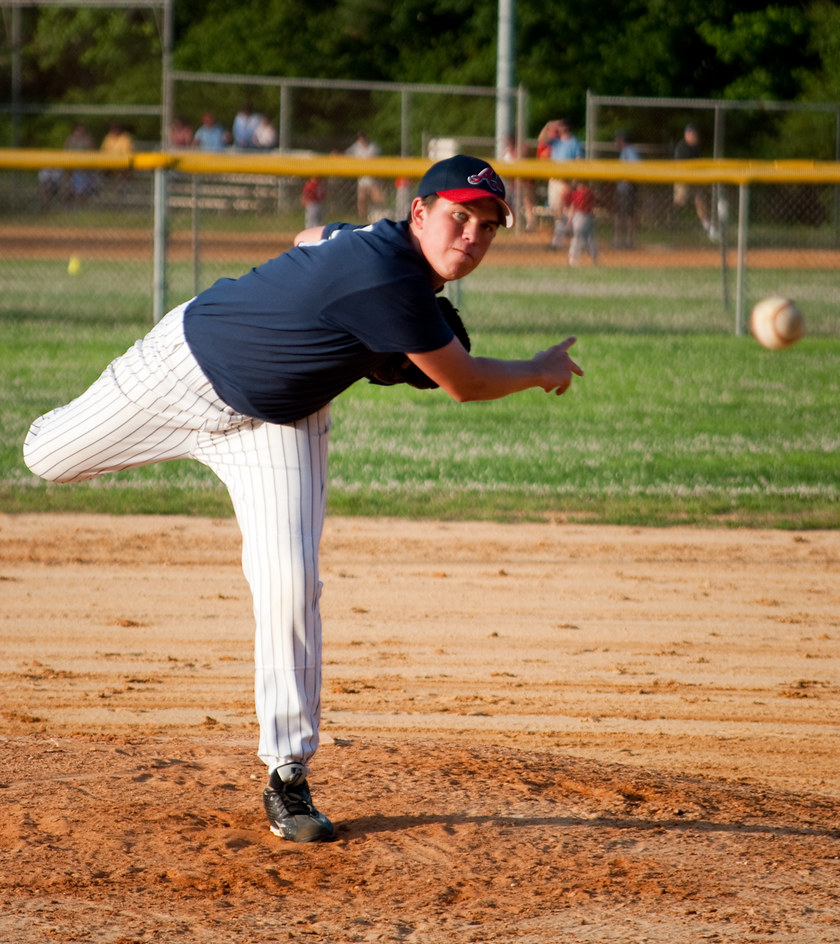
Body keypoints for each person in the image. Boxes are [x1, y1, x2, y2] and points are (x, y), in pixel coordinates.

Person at [23, 154, 582, 845]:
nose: (471, 235)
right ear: (421, 213)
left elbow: (308, 236)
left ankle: (287, 775)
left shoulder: (368, 244)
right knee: (43, 456)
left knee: (289, 582)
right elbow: (462, 382)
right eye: (458, 216)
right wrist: (538, 369)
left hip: (280, 423)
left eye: (488, 226)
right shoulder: (385, 274)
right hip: (183, 369)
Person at [537, 119, 583, 250]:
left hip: (566, 181)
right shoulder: (555, 141)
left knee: (565, 211)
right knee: (555, 210)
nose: (558, 129)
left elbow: (578, 161)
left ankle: (558, 241)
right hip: (554, 180)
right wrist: (548, 126)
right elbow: (541, 140)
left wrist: (575, 181)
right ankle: (566, 234)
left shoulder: (574, 143)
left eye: (561, 126)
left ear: (567, 128)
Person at [673, 124, 716, 240]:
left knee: (700, 200)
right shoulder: (681, 147)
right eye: (691, 134)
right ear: (686, 135)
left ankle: (707, 226)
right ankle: (667, 219)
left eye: (694, 134)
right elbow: (681, 167)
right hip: (683, 179)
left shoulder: (696, 147)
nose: (693, 137)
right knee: (679, 201)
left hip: (695, 179)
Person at [346, 130, 385, 220]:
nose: (362, 139)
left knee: (379, 200)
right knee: (362, 201)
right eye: (360, 138)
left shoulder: (372, 146)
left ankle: (381, 215)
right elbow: (347, 155)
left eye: (363, 137)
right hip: (362, 180)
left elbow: (372, 157)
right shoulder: (356, 147)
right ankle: (363, 219)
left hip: (373, 180)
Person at [613, 132, 641, 249]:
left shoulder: (630, 151)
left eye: (617, 140)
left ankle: (627, 240)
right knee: (619, 213)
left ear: (622, 140)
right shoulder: (625, 151)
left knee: (628, 214)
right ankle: (619, 238)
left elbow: (637, 166)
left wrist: (627, 180)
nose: (615, 143)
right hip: (622, 188)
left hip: (627, 188)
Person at [564, 180, 598, 265]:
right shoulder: (590, 193)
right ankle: (594, 258)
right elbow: (593, 207)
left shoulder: (576, 193)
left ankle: (572, 258)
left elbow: (572, 206)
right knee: (589, 238)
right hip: (588, 217)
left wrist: (570, 219)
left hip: (578, 217)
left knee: (577, 238)